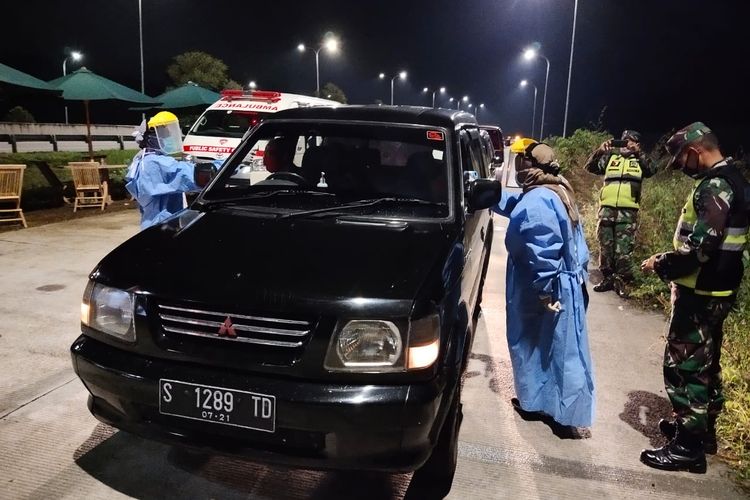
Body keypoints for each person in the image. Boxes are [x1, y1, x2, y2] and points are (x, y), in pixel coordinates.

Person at [640, 122, 748, 473]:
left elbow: (702, 246)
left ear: (695, 151)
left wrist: (662, 262)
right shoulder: (735, 180)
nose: (682, 168)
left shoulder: (715, 185)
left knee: (684, 366)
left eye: (681, 160)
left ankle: (687, 448)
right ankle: (702, 433)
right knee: (706, 363)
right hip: (719, 288)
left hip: (701, 290)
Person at [494, 139, 595, 432]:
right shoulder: (556, 188)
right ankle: (544, 405)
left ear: (529, 165)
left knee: (542, 348)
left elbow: (543, 247)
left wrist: (544, 289)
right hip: (564, 283)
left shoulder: (538, 200)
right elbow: (515, 206)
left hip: (544, 284)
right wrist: (486, 193)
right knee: (555, 349)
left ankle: (554, 412)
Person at [585, 130, 655, 297]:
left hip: (627, 212)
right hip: (607, 210)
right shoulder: (611, 158)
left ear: (637, 144)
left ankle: (622, 281)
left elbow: (652, 169)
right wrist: (600, 151)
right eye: (624, 141)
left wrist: (638, 153)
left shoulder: (639, 161)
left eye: (631, 142)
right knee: (606, 247)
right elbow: (590, 167)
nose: (627, 145)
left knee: (623, 250)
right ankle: (608, 278)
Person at [125, 111, 201, 230]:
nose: (169, 138)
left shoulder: (142, 159)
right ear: (151, 137)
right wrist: (225, 165)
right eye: (164, 135)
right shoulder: (155, 163)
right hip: (163, 225)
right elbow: (189, 175)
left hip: (153, 222)